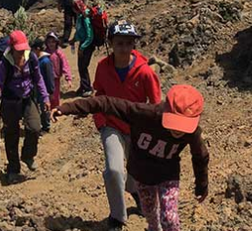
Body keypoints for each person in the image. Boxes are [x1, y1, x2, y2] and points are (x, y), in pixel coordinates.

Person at [52, 85, 209, 231]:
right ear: (166, 110)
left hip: (168, 175)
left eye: (183, 125)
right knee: (150, 213)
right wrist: (66, 108)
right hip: (142, 174)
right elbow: (105, 103)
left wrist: (201, 186)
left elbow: (200, 156)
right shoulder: (144, 114)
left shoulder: (192, 132)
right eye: (175, 123)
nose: (178, 130)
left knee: (169, 218)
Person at [91, 20, 162, 230]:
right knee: (114, 170)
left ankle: (135, 192)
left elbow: (155, 103)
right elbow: (99, 94)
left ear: (134, 45)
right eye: (119, 43)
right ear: (111, 43)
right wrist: (100, 121)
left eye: (128, 43)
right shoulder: (103, 68)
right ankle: (117, 216)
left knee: (135, 171)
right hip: (111, 125)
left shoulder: (145, 72)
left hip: (137, 128)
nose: (124, 48)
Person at [0, 30, 51, 181]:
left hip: (27, 97)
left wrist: (45, 97)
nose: (21, 53)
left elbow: (38, 78)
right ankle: (13, 169)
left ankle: (28, 155)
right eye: (18, 50)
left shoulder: (30, 57)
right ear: (12, 48)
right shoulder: (5, 62)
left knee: (35, 127)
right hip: (10, 101)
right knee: (11, 135)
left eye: (23, 49)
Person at [32, 37, 55, 132]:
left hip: (44, 90)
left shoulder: (45, 61)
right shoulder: (38, 60)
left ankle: (46, 126)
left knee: (44, 108)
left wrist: (51, 91)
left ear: (37, 49)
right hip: (37, 89)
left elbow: (50, 77)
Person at [45, 31, 72, 108]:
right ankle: (48, 109)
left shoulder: (59, 53)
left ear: (56, 42)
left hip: (56, 78)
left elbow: (65, 65)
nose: (51, 44)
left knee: (55, 95)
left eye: (53, 42)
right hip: (46, 78)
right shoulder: (45, 53)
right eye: (49, 42)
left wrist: (68, 78)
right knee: (47, 94)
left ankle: (56, 108)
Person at [75, 5, 96, 97]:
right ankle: (83, 86)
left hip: (87, 45)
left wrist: (82, 48)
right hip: (83, 44)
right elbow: (79, 31)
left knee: (83, 66)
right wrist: (74, 40)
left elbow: (90, 36)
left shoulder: (85, 18)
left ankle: (87, 88)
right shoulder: (80, 17)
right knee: (81, 66)